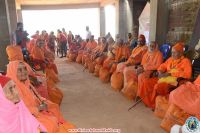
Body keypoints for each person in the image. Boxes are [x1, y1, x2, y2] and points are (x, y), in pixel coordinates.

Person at [6, 61, 76, 133]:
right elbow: (18, 110)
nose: (24, 72)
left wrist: (42, 101)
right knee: (50, 124)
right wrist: (38, 108)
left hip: (35, 109)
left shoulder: (26, 83)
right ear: (13, 72)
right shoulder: (12, 89)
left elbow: (36, 96)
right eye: (19, 70)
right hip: (24, 117)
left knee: (54, 106)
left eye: (25, 69)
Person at [140, 42, 192, 109]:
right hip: (164, 78)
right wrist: (160, 71)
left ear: (180, 53)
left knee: (158, 86)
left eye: (174, 52)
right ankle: (150, 102)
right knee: (147, 82)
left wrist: (170, 73)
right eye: (172, 52)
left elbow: (188, 74)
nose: (172, 54)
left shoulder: (186, 61)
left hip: (174, 81)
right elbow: (163, 65)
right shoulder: (170, 59)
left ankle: (156, 105)